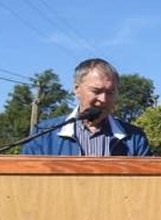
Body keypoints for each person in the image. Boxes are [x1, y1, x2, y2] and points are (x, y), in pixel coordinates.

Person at [22, 58, 150, 156]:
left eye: (110, 92)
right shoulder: (43, 134)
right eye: (96, 91)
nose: (103, 99)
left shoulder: (134, 138)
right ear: (77, 89)